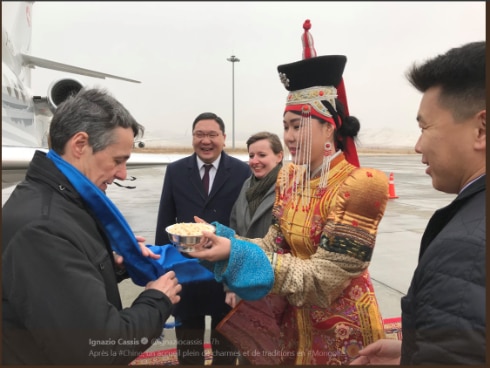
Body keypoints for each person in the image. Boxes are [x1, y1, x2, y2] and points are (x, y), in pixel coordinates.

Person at [189, 20, 390, 365]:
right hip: (294, 320)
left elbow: (323, 280)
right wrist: (226, 243)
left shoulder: (361, 185)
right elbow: (274, 244)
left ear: (329, 126)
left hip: (341, 331)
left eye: (298, 125)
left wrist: (237, 256)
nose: (290, 136)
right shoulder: (290, 179)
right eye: (285, 126)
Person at [2, 88, 182, 365]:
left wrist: (112, 264)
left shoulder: (59, 203)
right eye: (117, 160)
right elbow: (96, 348)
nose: (122, 174)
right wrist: (157, 300)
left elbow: (63, 280)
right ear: (80, 144)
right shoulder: (42, 229)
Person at [350, 41, 486, 365]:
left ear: (481, 129)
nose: (417, 145)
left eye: (424, 126)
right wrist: (414, 351)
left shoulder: (466, 252)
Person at [154, 112, 251, 365]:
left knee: (226, 346)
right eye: (200, 134)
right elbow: (165, 221)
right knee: (188, 347)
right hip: (186, 274)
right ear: (193, 137)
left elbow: (246, 225)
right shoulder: (175, 171)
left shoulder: (242, 172)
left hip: (225, 274)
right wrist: (160, 269)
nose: (205, 141)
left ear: (224, 138)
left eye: (212, 135)